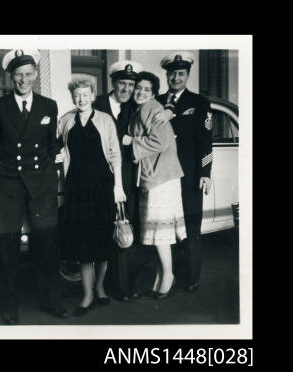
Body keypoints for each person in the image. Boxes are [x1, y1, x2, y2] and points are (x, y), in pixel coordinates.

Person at [0, 49, 69, 325]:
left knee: (46, 244)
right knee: (6, 246)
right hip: (7, 184)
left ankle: (51, 301)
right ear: (10, 77)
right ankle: (9, 307)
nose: (23, 80)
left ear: (35, 75)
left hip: (40, 184)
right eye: (18, 75)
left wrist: (52, 160)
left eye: (28, 74)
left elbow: (52, 141)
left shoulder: (48, 106)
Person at [94, 60, 174, 301]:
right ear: (113, 83)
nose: (127, 89)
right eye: (123, 83)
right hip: (99, 176)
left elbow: (158, 108)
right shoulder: (96, 103)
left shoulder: (137, 105)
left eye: (131, 84)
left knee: (130, 229)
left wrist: (170, 108)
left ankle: (129, 285)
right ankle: (104, 285)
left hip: (129, 176)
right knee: (102, 228)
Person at [58, 78, 126, 316]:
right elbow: (56, 149)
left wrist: (118, 186)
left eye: (86, 95)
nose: (81, 99)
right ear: (72, 97)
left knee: (101, 238)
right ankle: (87, 294)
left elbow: (116, 155)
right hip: (77, 188)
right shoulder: (65, 121)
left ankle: (100, 288)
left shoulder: (106, 120)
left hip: (102, 186)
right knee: (83, 241)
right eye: (77, 95)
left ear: (93, 95)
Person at [122, 71, 186, 300]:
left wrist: (132, 142)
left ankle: (168, 276)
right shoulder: (143, 108)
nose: (140, 92)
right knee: (159, 233)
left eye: (146, 89)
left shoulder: (152, 108)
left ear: (153, 93)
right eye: (138, 88)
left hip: (162, 178)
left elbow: (161, 141)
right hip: (155, 177)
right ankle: (162, 275)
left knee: (161, 234)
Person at [158, 52, 213, 292]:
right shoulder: (157, 101)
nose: (175, 78)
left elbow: (205, 140)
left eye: (180, 73)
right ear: (166, 75)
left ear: (187, 75)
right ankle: (171, 273)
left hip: (189, 175)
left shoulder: (199, 102)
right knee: (168, 225)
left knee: (190, 224)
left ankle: (191, 277)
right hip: (163, 175)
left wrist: (205, 172)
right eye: (172, 73)